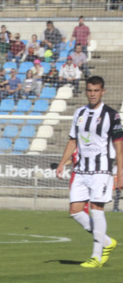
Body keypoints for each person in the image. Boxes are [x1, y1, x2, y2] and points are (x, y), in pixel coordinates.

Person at [56, 76, 122, 268]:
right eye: (89, 90)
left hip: (101, 170)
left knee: (96, 209)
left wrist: (121, 174)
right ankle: (107, 242)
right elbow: (72, 141)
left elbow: (119, 148)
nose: (92, 94)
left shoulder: (112, 115)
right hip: (81, 170)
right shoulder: (79, 113)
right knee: (75, 211)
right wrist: (62, 163)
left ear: (103, 91)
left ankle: (96, 256)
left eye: (96, 90)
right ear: (86, 91)